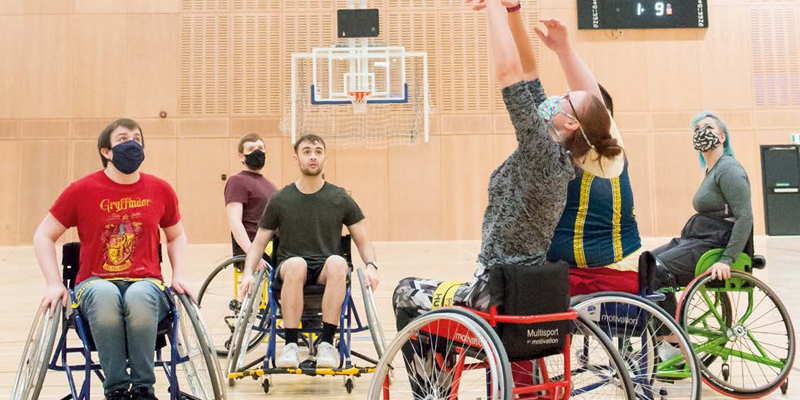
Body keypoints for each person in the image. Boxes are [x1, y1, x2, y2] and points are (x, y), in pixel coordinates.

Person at [393, 0, 624, 331]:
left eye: (565, 99)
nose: (557, 98)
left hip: (492, 292)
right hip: (521, 288)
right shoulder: (562, 157)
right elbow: (530, 73)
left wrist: (491, 9)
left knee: (405, 291)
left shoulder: (542, 153)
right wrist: (513, 11)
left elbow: (509, 74)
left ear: (571, 123)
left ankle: (431, 384)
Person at [35, 118, 192, 400]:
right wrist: (53, 283)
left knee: (139, 297)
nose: (132, 143)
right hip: (94, 283)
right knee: (106, 295)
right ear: (106, 151)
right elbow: (43, 235)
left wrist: (179, 273)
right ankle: (117, 389)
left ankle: (144, 388)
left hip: (146, 281)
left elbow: (176, 235)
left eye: (137, 137)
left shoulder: (160, 189)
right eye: (122, 138)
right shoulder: (81, 190)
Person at [238, 134, 380, 369]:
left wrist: (372, 266)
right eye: (306, 151)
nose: (312, 156)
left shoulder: (340, 197)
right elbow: (259, 243)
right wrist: (247, 273)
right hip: (290, 270)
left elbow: (363, 241)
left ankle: (326, 343)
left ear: (325, 157)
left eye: (317, 151)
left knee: (337, 262)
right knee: (296, 264)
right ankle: (291, 344)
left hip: (326, 271)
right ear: (296, 158)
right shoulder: (281, 198)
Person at [645, 110, 753, 316]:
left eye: (709, 128)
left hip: (713, 243)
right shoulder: (712, 170)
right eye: (697, 129)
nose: (702, 132)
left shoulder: (729, 169)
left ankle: (669, 336)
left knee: (658, 268)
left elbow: (745, 216)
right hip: (696, 239)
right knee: (646, 262)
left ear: (722, 137)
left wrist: (727, 259)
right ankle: (656, 326)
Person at [547, 84, 643, 296]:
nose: (557, 103)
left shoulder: (596, 158)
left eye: (567, 101)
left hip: (601, 271)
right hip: (598, 264)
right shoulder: (587, 155)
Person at [224, 133, 277, 270]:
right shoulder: (237, 181)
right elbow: (235, 221)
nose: (257, 152)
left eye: (260, 148)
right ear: (241, 156)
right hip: (255, 248)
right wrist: (252, 253)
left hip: (276, 245)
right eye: (251, 149)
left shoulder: (272, 187)